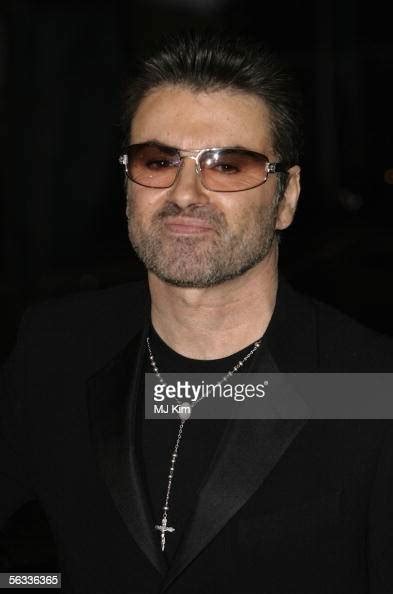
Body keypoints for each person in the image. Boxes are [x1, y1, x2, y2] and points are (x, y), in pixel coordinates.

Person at [1, 30, 393, 594]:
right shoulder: (54, 348)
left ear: (286, 197)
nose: (185, 192)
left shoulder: (368, 386)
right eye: (158, 160)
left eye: (227, 165)